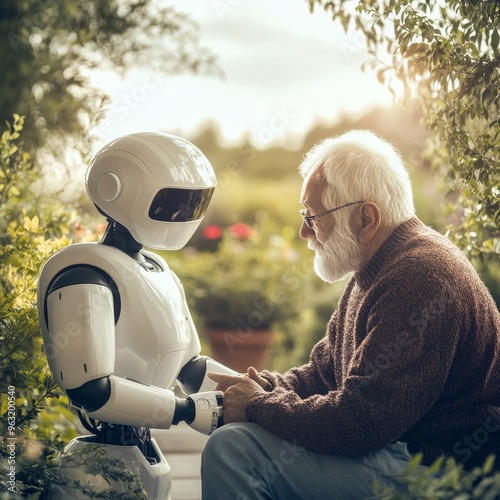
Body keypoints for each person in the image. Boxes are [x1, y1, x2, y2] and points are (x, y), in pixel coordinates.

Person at [201, 129, 500, 500]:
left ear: (365, 219)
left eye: (311, 217)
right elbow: (324, 373)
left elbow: (360, 422)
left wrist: (259, 405)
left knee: (234, 451)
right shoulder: (380, 268)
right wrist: (265, 386)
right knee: (240, 437)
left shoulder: (420, 278)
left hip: (447, 476)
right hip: (405, 454)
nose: (302, 232)